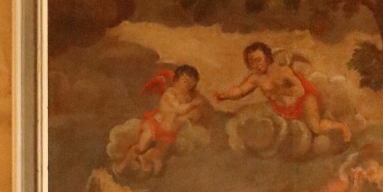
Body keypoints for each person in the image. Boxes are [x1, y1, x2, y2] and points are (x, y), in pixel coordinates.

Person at [214, 42, 351, 143]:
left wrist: (283, 91)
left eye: (258, 60)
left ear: (267, 58)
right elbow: (240, 90)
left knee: (315, 127)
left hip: (303, 100)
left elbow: (300, 91)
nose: (256, 65)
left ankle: (341, 126)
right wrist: (223, 96)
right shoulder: (255, 79)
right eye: (251, 62)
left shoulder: (282, 71)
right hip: (284, 110)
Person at [115, 64, 212, 175]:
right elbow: (179, 109)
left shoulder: (189, 98)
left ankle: (144, 159)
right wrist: (193, 105)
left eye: (191, 83)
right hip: (156, 125)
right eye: (185, 81)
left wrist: (193, 113)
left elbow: (191, 115)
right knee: (140, 147)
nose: (188, 85)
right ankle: (122, 166)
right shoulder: (170, 93)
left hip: (169, 132)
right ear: (177, 80)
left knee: (158, 156)